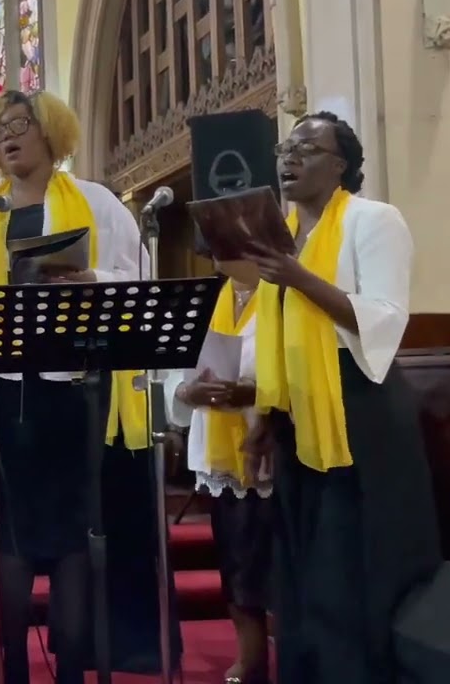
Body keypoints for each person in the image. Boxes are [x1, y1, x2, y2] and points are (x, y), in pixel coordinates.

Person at [0, 89, 176, 682]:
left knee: (76, 534)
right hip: (5, 393)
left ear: (50, 131)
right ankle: (14, 665)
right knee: (13, 534)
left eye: (20, 125)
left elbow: (142, 277)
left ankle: (72, 666)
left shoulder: (96, 202)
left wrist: (89, 278)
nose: (8, 137)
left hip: (77, 390)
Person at [243, 111, 441, 684]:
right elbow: (279, 334)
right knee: (300, 578)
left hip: (358, 412)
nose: (289, 157)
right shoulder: (281, 235)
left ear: (341, 165)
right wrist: (265, 415)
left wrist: (298, 277)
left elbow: (384, 318)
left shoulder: (372, 220)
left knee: (346, 572)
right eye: (285, 148)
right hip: (299, 416)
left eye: (306, 149)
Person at [165, 260, 271, 684]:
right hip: (220, 449)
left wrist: (253, 392)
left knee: (277, 559)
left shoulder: (285, 294)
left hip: (274, 441)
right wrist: (187, 391)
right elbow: (172, 372)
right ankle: (251, 657)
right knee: (236, 557)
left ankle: (295, 650)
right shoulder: (205, 302)